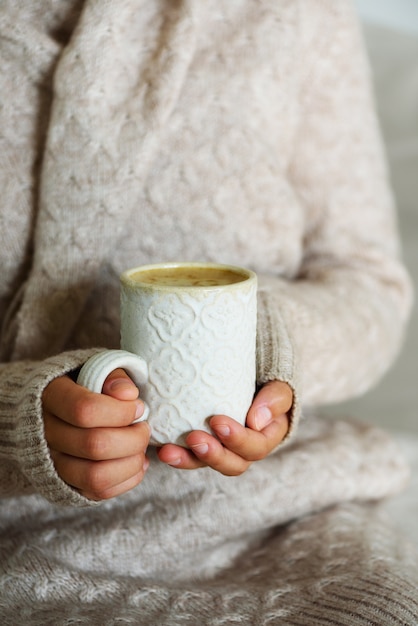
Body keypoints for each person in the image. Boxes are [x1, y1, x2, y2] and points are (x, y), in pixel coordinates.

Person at [0, 0, 417, 623]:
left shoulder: (298, 14)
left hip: (269, 508)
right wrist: (13, 421)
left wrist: (272, 347)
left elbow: (368, 285)